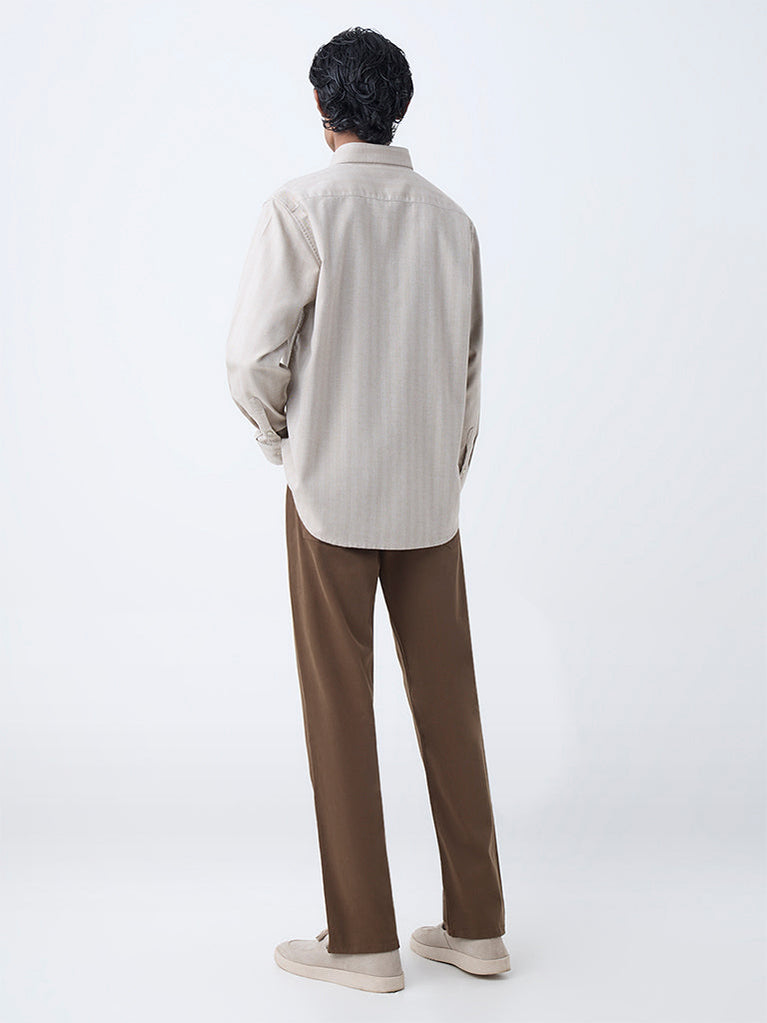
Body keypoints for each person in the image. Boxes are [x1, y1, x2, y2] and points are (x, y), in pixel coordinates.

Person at [225, 26, 509, 994]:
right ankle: (477, 929)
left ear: (321, 108)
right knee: (451, 705)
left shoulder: (299, 208)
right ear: (400, 106)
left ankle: (363, 944)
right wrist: (445, 470)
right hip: (429, 497)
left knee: (339, 709)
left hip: (329, 495)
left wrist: (284, 444)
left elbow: (251, 359)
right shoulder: (451, 222)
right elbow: (469, 372)